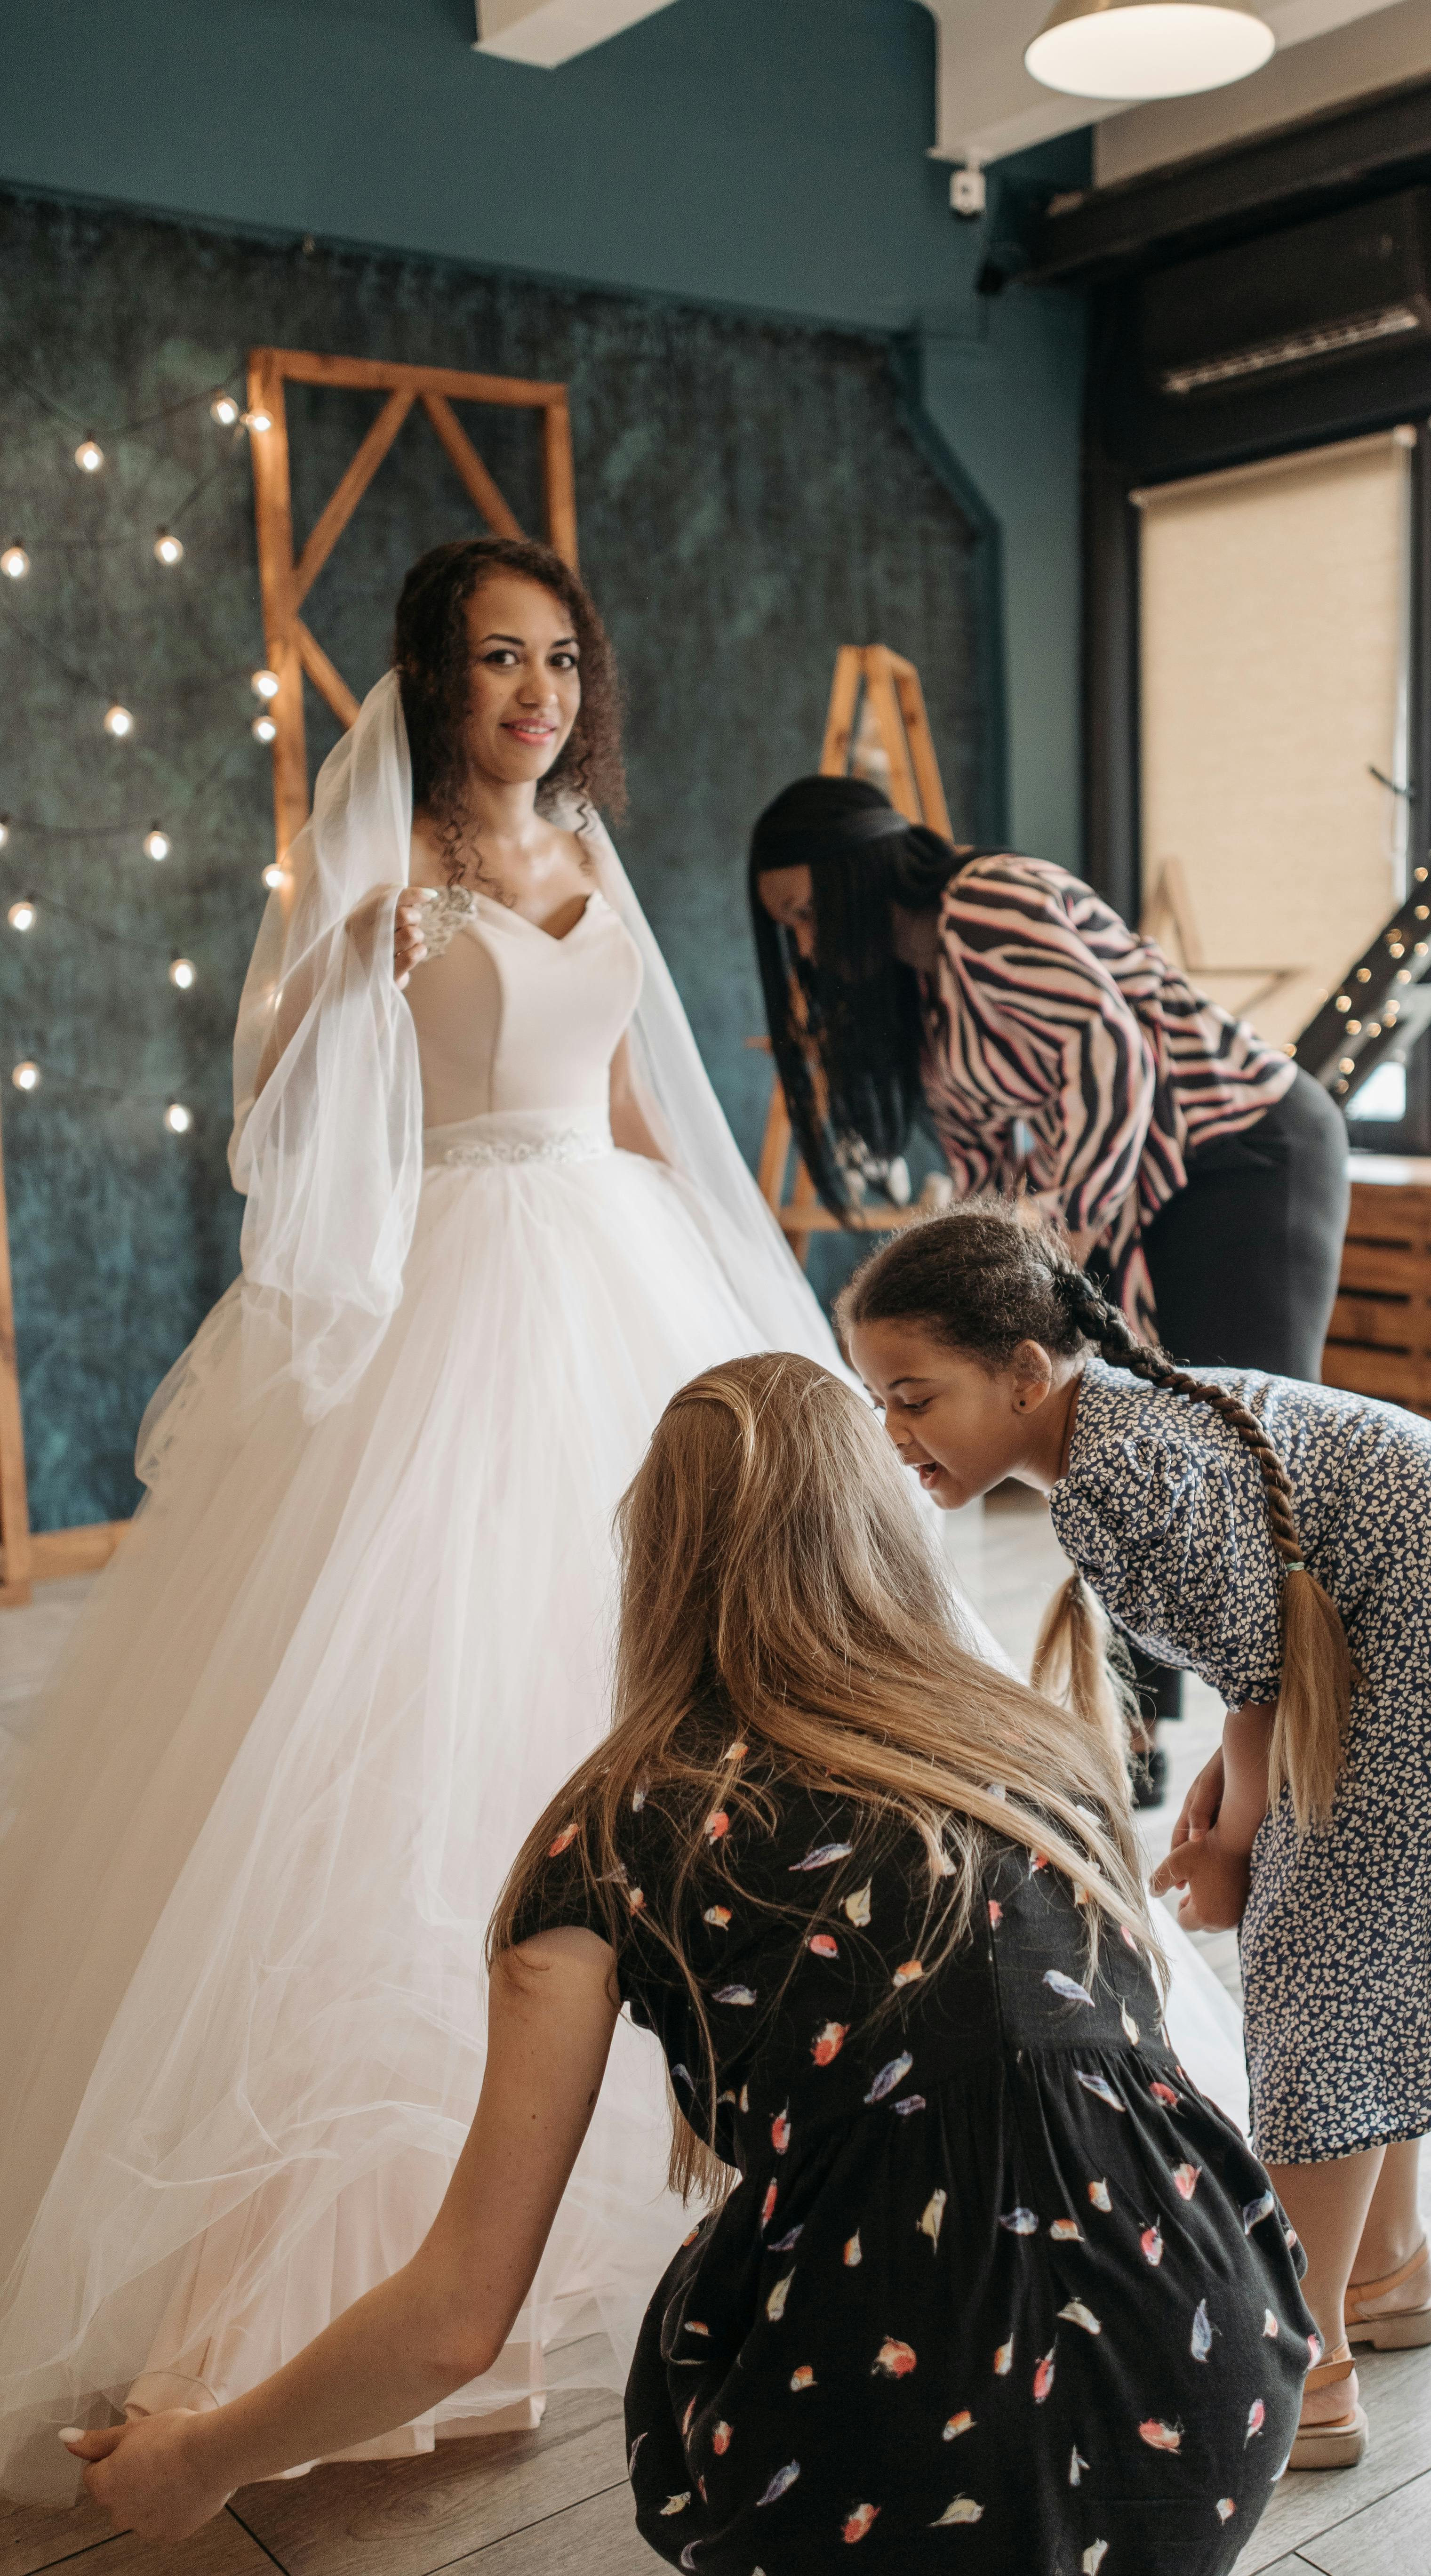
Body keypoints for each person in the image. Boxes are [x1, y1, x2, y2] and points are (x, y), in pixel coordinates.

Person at [0, 537, 859, 2504]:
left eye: (561, 658)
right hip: (457, 1280)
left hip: (616, 1261)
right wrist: (337, 988)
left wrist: (742, 1300)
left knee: (645, 1661)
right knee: (411, 1706)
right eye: (497, 659)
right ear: (432, 675)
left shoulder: (589, 855)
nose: (537, 692)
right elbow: (272, 1097)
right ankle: (347, 2265)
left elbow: (647, 1107)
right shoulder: (379, 873)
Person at [61, 1351, 1314, 2574]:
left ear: (658, 1558)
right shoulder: (1039, 1745)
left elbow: (454, 2322)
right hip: (1215, 2378)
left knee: (721, 2321)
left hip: (906, 2459)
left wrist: (201, 2456)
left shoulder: (613, 1832)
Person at [837, 1202, 1431, 2473]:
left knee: (1317, 1987)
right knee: (1353, 1965)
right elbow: (1257, 1669)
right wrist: (1222, 1824)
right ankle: (1382, 2271)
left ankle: (1308, 2365)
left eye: (912, 1396)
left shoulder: (1115, 1468)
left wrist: (1227, 1843)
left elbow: (1260, 1676)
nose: (893, 1434)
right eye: (877, 1403)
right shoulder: (1111, 1432)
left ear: (1020, 1372)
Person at [748, 775, 1353, 1765]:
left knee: (1246, 1443)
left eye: (811, 911)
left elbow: (1111, 1061)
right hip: (1137, 1190)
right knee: (1121, 1447)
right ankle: (1140, 1728)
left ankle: (1308, 1720)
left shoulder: (990, 903)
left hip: (1242, 1152)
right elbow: (987, 1175)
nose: (807, 945)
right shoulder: (931, 1002)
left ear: (860, 874)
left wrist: (1063, 1245)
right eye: (791, 927)